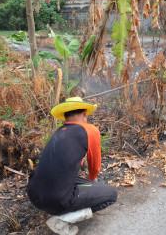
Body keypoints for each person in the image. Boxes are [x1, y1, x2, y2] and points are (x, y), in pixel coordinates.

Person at [27, 97, 117, 234]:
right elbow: (94, 167)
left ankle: (58, 207)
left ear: (65, 116)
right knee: (111, 194)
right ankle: (62, 220)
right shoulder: (90, 130)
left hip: (34, 194)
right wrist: (92, 183)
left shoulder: (59, 132)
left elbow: (65, 160)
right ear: (85, 113)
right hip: (56, 200)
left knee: (75, 184)